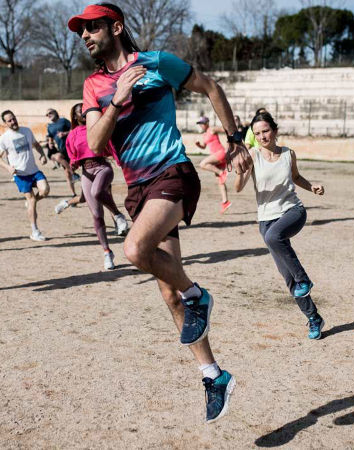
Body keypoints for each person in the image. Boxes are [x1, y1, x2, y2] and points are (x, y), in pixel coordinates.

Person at [69, 2, 252, 423]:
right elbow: (96, 144)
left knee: (135, 249)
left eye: (92, 27)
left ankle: (198, 295)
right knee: (167, 292)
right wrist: (116, 101)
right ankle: (214, 375)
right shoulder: (94, 86)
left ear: (115, 27)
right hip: (137, 190)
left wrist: (235, 139)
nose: (85, 36)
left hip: (173, 173)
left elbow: (210, 87)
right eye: (81, 31)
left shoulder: (156, 63)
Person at [234, 113, 326, 339]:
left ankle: (304, 278)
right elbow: (238, 187)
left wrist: (311, 186)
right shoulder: (253, 155)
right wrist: (238, 170)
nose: (262, 136)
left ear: (274, 130)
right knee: (288, 279)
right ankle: (314, 318)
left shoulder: (288, 153)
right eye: (257, 134)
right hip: (266, 219)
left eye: (265, 131)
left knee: (274, 237)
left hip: (293, 211)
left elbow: (295, 177)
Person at [66, 102, 130, 269]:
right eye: (81, 112)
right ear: (75, 116)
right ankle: (107, 252)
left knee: (97, 192)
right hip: (86, 172)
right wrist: (73, 164)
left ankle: (118, 215)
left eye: (86, 111)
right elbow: (73, 157)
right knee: (96, 215)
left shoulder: (97, 127)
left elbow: (111, 145)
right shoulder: (72, 134)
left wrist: (118, 161)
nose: (85, 113)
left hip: (102, 167)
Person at [0, 110, 50, 241]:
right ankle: (35, 231)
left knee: (45, 190)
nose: (13, 122)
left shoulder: (26, 130)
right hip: (20, 174)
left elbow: (36, 145)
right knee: (31, 200)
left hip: (34, 171)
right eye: (9, 120)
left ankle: (31, 203)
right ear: (5, 123)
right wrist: (8, 167)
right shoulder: (5, 138)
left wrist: (42, 154)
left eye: (14, 118)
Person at [46, 108, 81, 212]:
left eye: (50, 113)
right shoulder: (50, 126)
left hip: (70, 147)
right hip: (61, 148)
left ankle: (75, 175)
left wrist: (64, 134)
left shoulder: (63, 121)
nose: (48, 115)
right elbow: (50, 136)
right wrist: (50, 142)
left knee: (58, 158)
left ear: (56, 113)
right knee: (67, 174)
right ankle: (74, 195)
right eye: (47, 114)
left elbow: (73, 129)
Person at [195, 116, 232, 213]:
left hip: (220, 153)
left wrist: (230, 141)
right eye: (200, 124)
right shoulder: (204, 134)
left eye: (202, 123)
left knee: (203, 164)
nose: (201, 126)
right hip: (216, 156)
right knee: (220, 181)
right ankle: (225, 202)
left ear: (207, 123)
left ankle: (222, 172)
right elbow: (204, 147)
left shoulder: (212, 129)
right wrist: (199, 145)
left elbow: (226, 129)